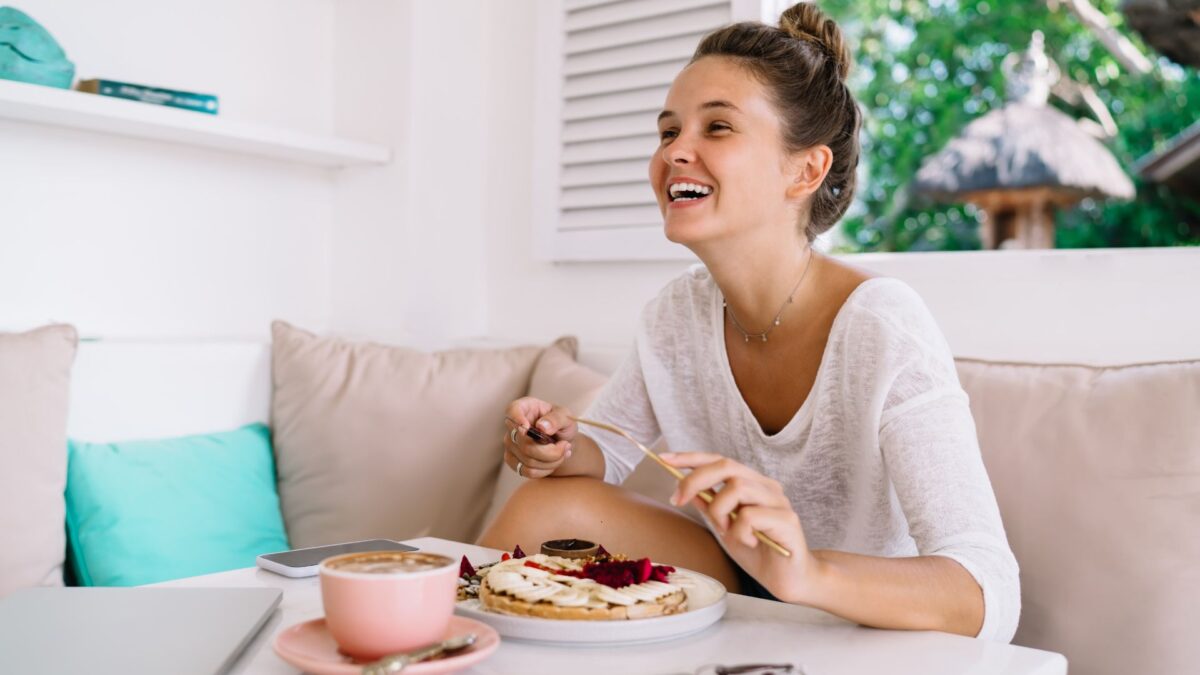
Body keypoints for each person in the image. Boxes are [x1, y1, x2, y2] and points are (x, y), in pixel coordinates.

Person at [480, 2, 1019, 642]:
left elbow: (989, 593)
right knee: (546, 505)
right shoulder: (675, 314)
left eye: (718, 128)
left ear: (805, 170)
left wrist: (807, 572)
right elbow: (610, 454)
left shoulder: (882, 324)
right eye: (667, 131)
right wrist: (556, 447)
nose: (678, 151)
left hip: (863, 614)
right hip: (741, 582)